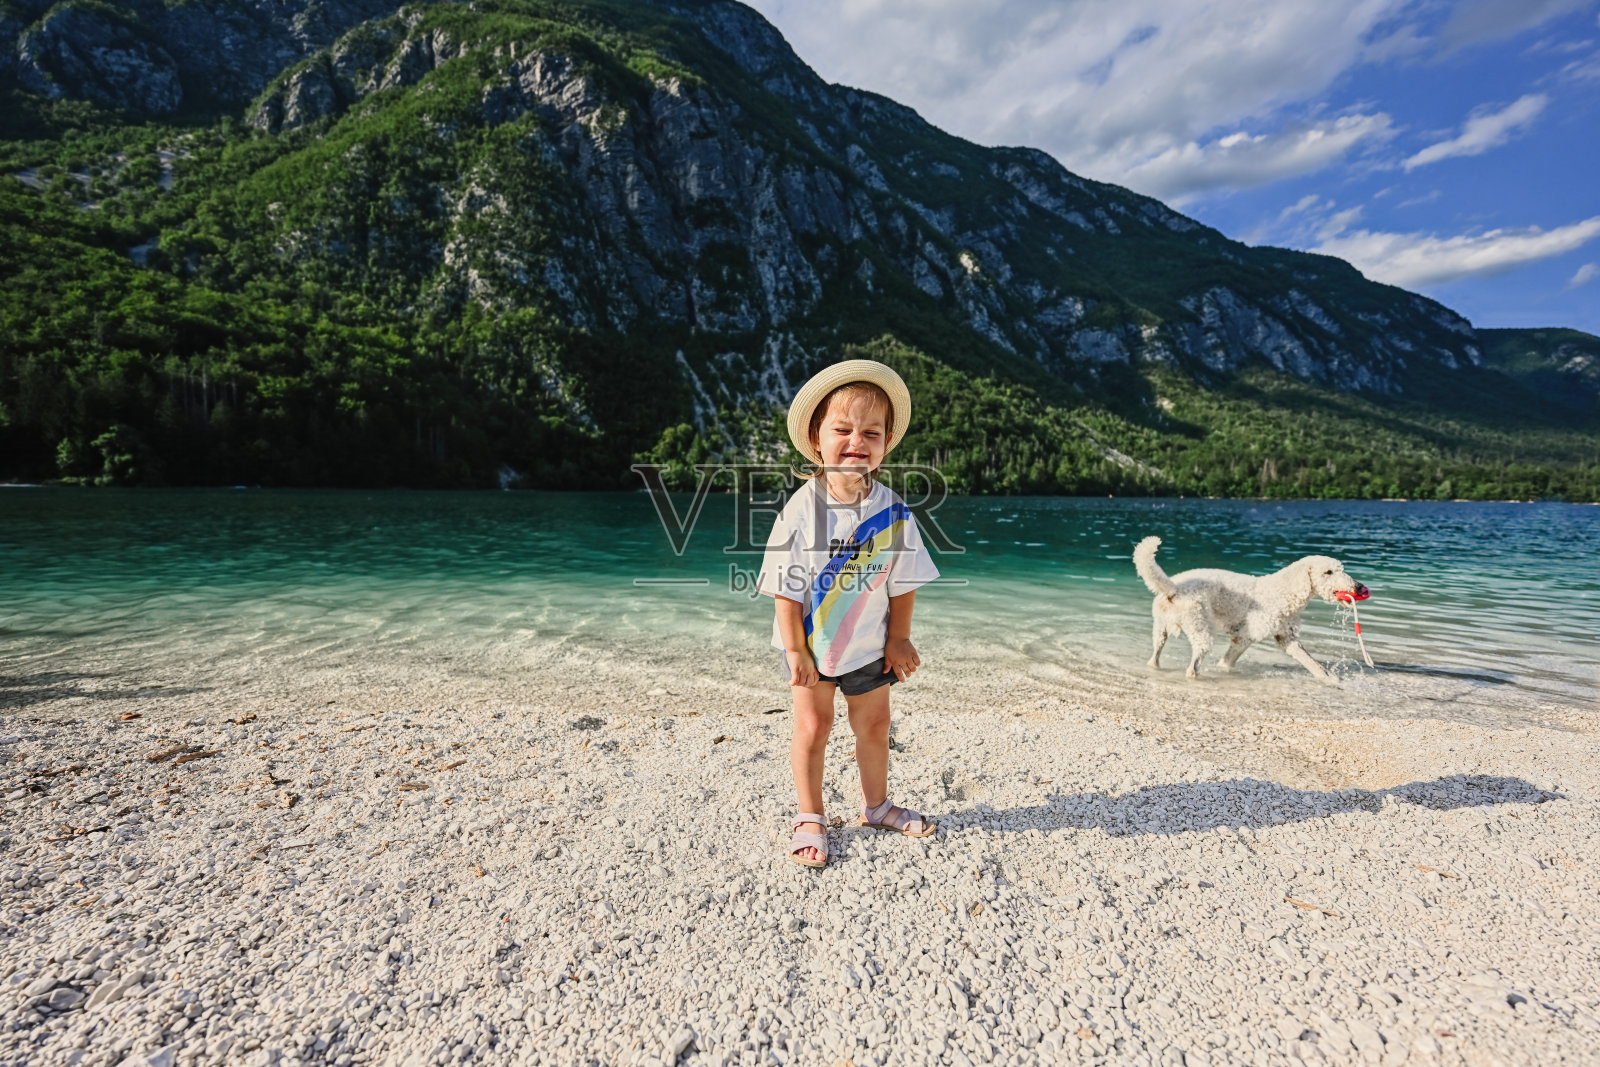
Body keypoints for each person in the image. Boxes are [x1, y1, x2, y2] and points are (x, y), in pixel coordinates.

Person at [758, 359, 941, 869]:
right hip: (812, 646)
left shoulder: (893, 511)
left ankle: (876, 805)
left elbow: (903, 583)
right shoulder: (800, 510)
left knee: (875, 724)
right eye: (842, 429)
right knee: (812, 728)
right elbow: (784, 588)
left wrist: (899, 639)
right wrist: (794, 648)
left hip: (869, 645)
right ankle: (811, 815)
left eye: (871, 432)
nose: (856, 440)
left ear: (885, 444)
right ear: (817, 438)